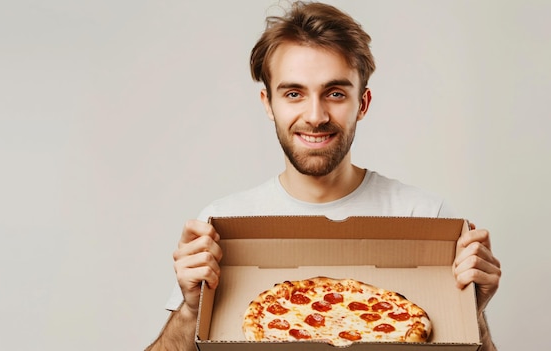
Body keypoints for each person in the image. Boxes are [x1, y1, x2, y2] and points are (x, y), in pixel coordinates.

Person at [145, 2, 501, 350]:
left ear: (362, 103)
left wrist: (474, 315)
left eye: (334, 93)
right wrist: (191, 309)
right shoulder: (220, 226)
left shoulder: (425, 217)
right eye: (294, 93)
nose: (315, 115)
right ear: (268, 103)